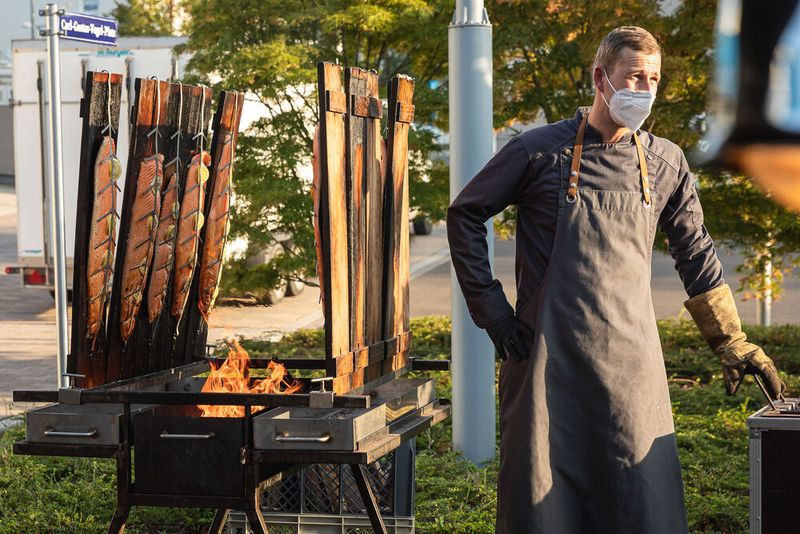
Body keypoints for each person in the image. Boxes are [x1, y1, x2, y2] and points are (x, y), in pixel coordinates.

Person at [446, 26, 785, 534]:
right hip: (545, 366)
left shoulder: (667, 161)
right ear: (600, 78)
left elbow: (695, 250)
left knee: (639, 503)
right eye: (634, 77)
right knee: (542, 509)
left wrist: (732, 341)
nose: (643, 91)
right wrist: (493, 313)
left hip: (632, 369)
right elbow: (465, 214)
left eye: (653, 79)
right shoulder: (539, 151)